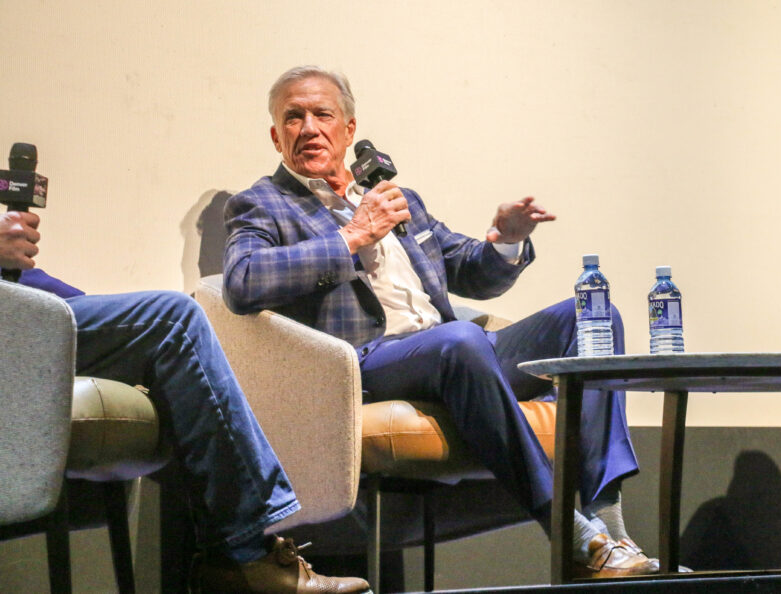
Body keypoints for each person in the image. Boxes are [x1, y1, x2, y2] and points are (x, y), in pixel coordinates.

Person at [222, 65, 658, 579]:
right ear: (276, 135)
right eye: (293, 118)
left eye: (322, 114)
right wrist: (350, 239)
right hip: (362, 363)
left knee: (592, 314)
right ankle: (569, 530)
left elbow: (472, 273)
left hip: (456, 351)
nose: (308, 127)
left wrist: (507, 239)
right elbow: (241, 282)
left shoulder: (393, 198)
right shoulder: (262, 203)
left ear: (349, 129)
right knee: (459, 340)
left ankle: (612, 525)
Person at [0, 209, 371, 593]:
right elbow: (245, 281)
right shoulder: (260, 204)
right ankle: (244, 558)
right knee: (173, 319)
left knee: (166, 335)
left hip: (30, 304)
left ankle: (238, 560)